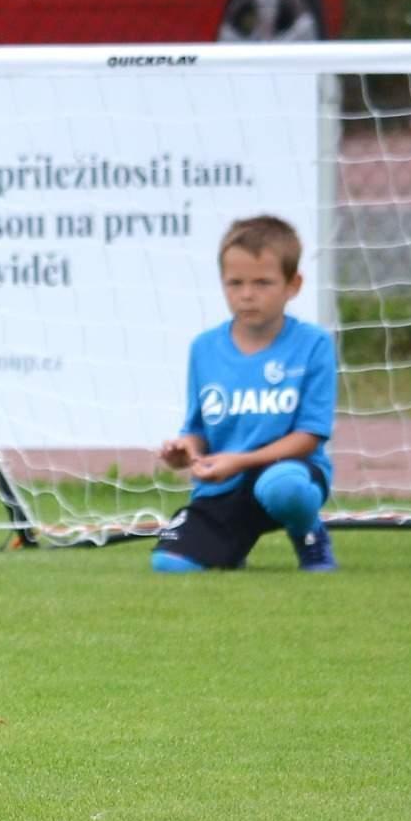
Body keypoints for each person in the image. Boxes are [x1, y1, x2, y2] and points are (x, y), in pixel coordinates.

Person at [152, 214, 338, 573]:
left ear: (292, 285)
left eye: (262, 282)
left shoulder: (313, 345)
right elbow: (198, 430)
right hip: (226, 483)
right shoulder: (204, 348)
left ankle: (309, 534)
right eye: (234, 283)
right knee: (170, 564)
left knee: (282, 487)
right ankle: (229, 548)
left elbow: (309, 437)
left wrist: (239, 461)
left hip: (290, 472)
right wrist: (186, 450)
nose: (247, 294)